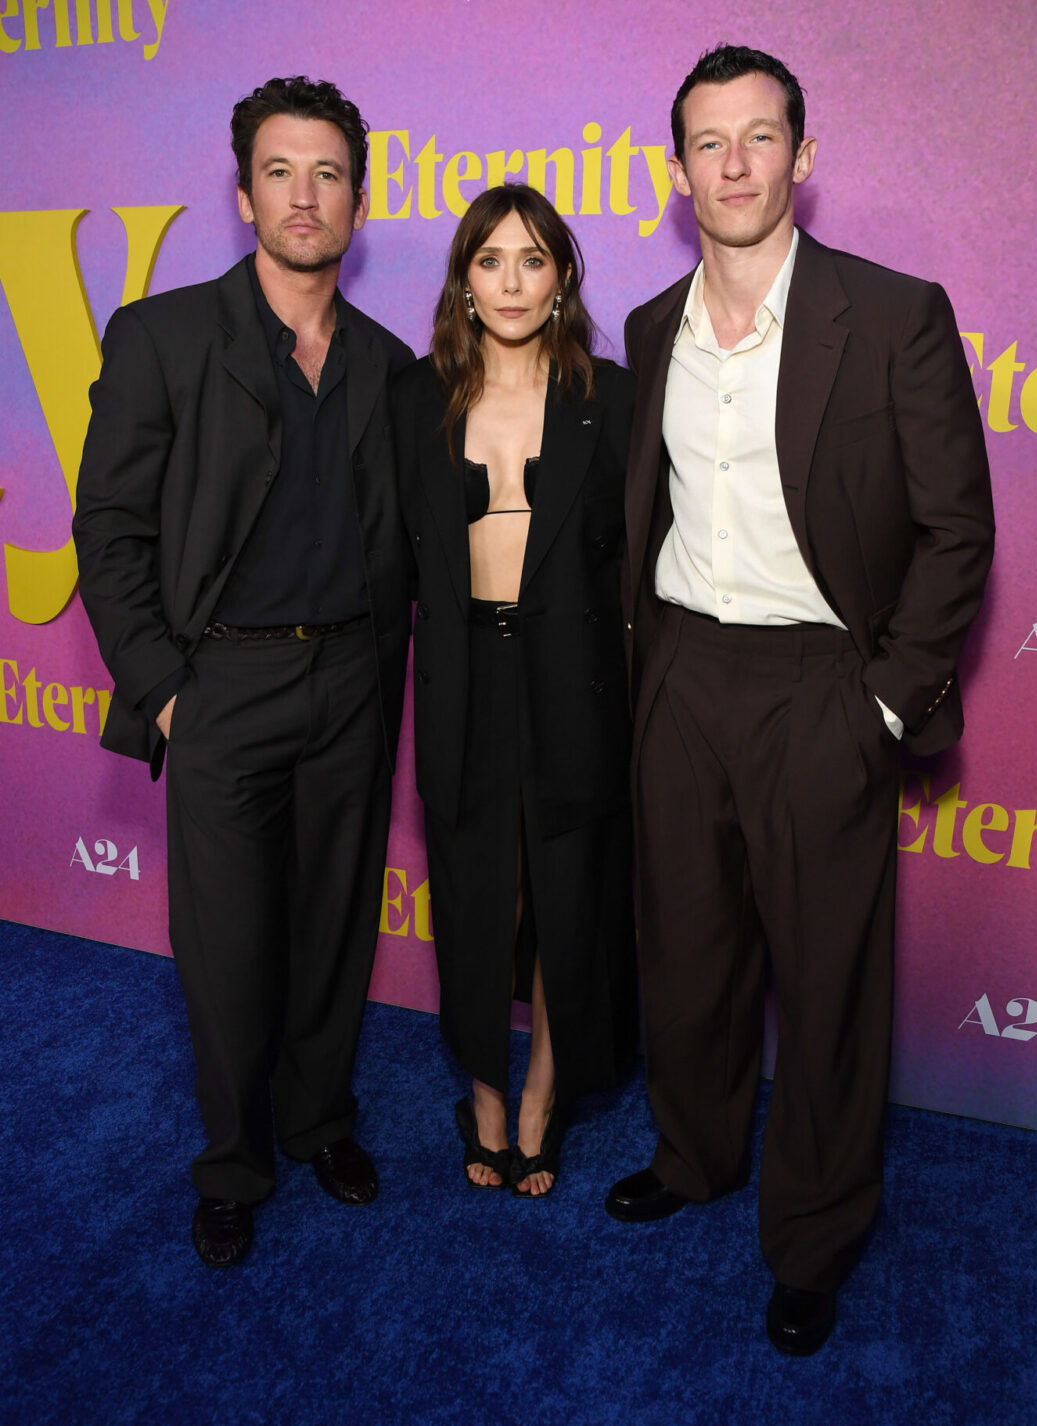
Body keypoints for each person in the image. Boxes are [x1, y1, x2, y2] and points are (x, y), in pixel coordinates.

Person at [604, 46, 994, 1352]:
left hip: (822, 683)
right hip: (683, 674)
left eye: (760, 137)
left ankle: (817, 1233)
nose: (734, 164)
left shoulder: (892, 314)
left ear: (803, 157)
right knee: (688, 952)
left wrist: (881, 704)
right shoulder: (649, 327)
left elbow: (957, 531)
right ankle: (696, 1152)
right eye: (708, 142)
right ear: (676, 172)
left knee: (828, 980)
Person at [73, 77, 413, 1267]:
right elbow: (109, 527)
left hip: (353, 681)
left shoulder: (388, 363)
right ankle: (233, 1161)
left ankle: (320, 1121)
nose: (304, 195)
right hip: (220, 687)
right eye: (280, 171)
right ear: (243, 195)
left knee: (334, 923)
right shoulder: (162, 336)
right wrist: (168, 688)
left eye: (327, 173)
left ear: (358, 202)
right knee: (226, 944)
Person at [392, 184, 637, 1198]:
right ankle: (485, 1096)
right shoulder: (417, 396)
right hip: (464, 677)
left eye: (532, 260)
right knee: (480, 894)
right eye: (490, 260)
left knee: (568, 894)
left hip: (575, 679)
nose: (510, 282)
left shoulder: (610, 397)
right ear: (465, 279)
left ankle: (540, 1098)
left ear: (562, 277)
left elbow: (639, 559)